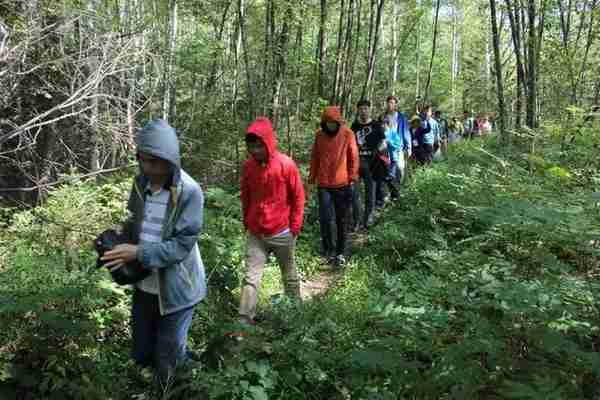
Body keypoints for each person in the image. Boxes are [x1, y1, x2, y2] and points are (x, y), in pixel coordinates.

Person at [101, 119, 207, 385]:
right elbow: (133, 224)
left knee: (167, 362)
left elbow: (181, 245)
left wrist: (137, 252)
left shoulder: (189, 192)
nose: (149, 168)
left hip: (177, 288)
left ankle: (176, 384)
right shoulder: (139, 184)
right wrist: (116, 243)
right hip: (144, 283)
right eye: (144, 160)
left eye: (156, 161)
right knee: (142, 351)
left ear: (170, 159)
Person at [238, 117, 305, 325]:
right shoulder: (249, 167)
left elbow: (298, 196)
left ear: (268, 142)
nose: (256, 150)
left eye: (259, 146)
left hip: (282, 231)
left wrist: (294, 227)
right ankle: (244, 320)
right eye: (252, 147)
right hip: (257, 233)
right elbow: (246, 195)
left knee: (289, 275)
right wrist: (246, 221)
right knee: (251, 277)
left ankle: (296, 315)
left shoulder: (286, 164)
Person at [309, 106, 359, 266]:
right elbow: (315, 156)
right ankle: (328, 250)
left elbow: (353, 156)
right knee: (325, 218)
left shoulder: (347, 134)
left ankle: (340, 251)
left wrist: (352, 176)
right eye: (328, 122)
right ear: (324, 122)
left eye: (333, 122)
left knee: (341, 218)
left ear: (338, 122)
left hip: (342, 183)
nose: (330, 125)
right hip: (324, 183)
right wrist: (312, 176)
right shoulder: (319, 135)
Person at [351, 99, 389, 229]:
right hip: (356, 164)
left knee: (370, 193)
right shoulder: (354, 126)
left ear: (369, 109)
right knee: (355, 194)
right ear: (358, 110)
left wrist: (377, 151)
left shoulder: (376, 125)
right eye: (361, 108)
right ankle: (356, 221)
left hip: (372, 164)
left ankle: (368, 218)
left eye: (366, 108)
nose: (363, 111)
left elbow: (384, 142)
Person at [382, 95, 412, 185]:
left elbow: (406, 132)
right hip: (385, 147)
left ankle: (398, 187)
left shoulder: (401, 117)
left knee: (399, 167)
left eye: (392, 103)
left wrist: (409, 147)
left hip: (398, 146)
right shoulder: (382, 117)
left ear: (395, 105)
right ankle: (390, 190)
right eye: (388, 103)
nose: (390, 105)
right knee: (387, 169)